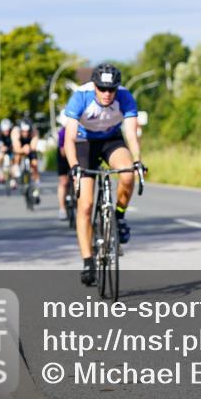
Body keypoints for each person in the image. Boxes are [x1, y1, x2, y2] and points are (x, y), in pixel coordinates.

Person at [63, 64, 144, 286]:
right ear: (94, 86)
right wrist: (74, 167)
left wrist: (137, 160)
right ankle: (88, 261)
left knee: (127, 174)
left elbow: (130, 133)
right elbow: (68, 139)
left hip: (111, 140)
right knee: (86, 205)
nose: (107, 94)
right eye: (102, 89)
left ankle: (118, 217)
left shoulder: (125, 97)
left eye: (111, 89)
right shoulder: (80, 96)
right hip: (83, 143)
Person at [11, 118, 41, 203]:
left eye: (27, 131)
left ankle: (37, 187)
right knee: (17, 156)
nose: (25, 133)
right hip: (20, 147)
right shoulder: (15, 132)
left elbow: (33, 147)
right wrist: (22, 150)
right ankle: (16, 170)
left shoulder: (34, 132)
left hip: (30, 148)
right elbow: (16, 147)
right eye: (23, 131)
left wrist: (29, 148)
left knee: (35, 165)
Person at [55, 120, 71, 221]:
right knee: (64, 181)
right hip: (64, 155)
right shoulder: (62, 133)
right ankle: (62, 208)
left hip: (77, 153)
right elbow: (63, 153)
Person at [0, 118, 14, 184]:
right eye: (5, 131)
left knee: (12, 163)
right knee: (0, 156)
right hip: (3, 148)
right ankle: (0, 172)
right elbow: (0, 143)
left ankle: (12, 180)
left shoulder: (13, 132)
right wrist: (2, 147)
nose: (6, 132)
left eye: (7, 130)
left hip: (11, 149)